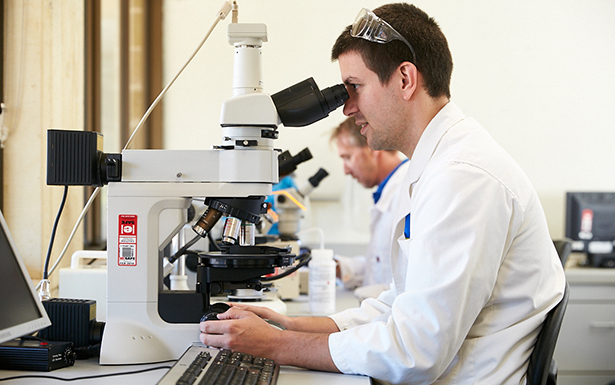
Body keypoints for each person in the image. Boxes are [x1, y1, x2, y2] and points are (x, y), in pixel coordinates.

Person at [199, 4, 566, 384]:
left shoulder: (463, 178)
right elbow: (401, 302)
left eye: (355, 87)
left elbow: (415, 350)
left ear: (405, 79)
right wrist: (290, 325)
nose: (346, 108)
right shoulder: (436, 164)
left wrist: (275, 345)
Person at [331, 117, 408, 299]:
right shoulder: (388, 191)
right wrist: (337, 268)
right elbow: (384, 266)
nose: (346, 170)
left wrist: (364, 295)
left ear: (372, 147)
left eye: (348, 157)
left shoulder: (407, 193)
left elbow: (406, 282)